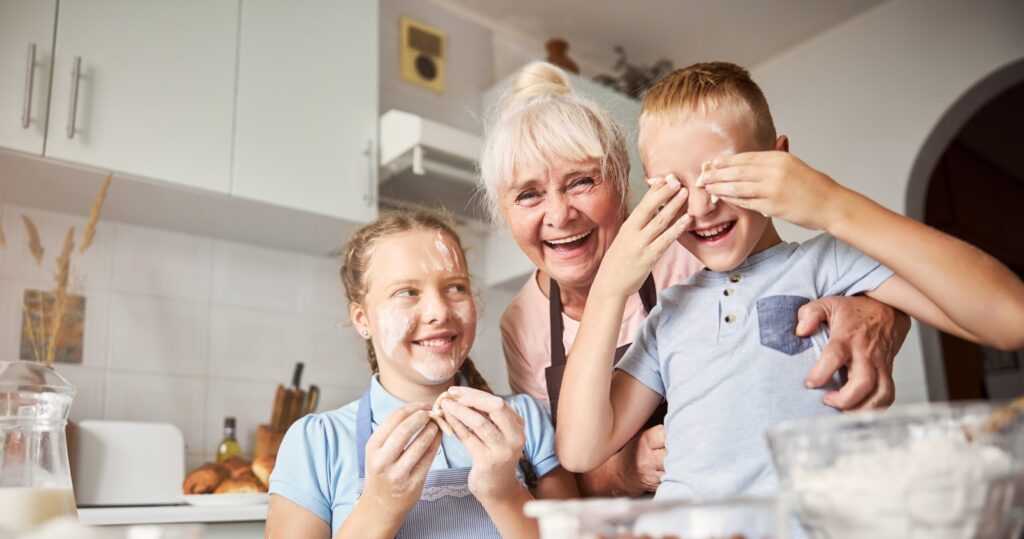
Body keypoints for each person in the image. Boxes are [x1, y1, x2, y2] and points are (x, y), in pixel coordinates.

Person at [555, 62, 1024, 503]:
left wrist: (831, 204)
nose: (700, 208)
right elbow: (579, 449)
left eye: (723, 175)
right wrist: (611, 288)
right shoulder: (670, 314)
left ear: (779, 160)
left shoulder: (828, 263)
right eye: (673, 187)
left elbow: (1010, 318)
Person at [477, 61, 910, 496]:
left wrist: (877, 306)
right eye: (528, 194)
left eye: (582, 182)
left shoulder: (693, 250)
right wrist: (626, 470)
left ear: (627, 185)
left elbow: (789, 284)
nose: (559, 215)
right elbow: (559, 465)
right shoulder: (522, 322)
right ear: (503, 211)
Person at [265, 210, 578, 538]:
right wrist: (380, 505)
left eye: (455, 287)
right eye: (407, 292)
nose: (439, 311)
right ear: (362, 319)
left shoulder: (523, 420)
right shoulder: (317, 443)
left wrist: (505, 493)